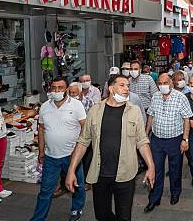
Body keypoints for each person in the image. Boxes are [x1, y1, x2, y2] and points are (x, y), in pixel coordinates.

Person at [65, 75, 155, 221]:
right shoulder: (95, 110)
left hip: (126, 174)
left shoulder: (134, 111)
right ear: (111, 88)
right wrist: (71, 170)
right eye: (122, 85)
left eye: (128, 86)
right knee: (101, 215)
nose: (127, 88)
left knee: (124, 217)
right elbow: (83, 141)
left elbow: (142, 141)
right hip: (100, 174)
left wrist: (151, 167)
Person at [31, 77, 87, 221]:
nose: (56, 91)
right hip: (51, 157)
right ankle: (38, 218)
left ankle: (76, 209)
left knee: (77, 186)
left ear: (67, 89)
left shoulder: (76, 106)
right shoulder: (45, 107)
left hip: (72, 156)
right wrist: (41, 151)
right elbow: (41, 129)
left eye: (60, 87)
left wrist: (78, 150)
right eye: (54, 88)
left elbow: (85, 127)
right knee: (45, 190)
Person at [144, 73, 193, 213]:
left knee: (174, 169)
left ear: (171, 82)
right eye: (160, 83)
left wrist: (185, 139)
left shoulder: (181, 98)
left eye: (165, 82)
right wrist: (146, 134)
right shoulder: (155, 96)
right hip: (157, 140)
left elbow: (186, 120)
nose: (162, 85)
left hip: (175, 140)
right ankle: (154, 198)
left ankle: (175, 193)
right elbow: (151, 115)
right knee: (155, 169)